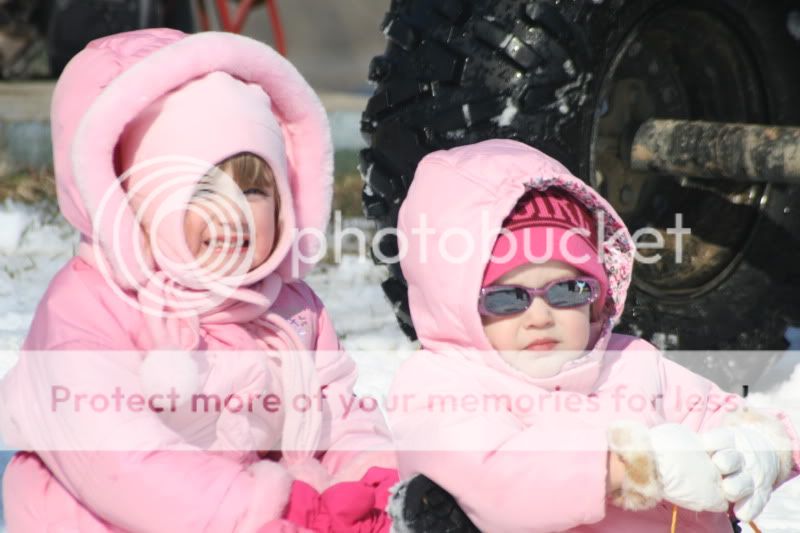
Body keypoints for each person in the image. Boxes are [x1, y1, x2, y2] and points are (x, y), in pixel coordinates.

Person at [0, 28, 396, 532]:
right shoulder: (89, 307)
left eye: (254, 189)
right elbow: (122, 462)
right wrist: (261, 512)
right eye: (203, 188)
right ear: (138, 199)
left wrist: (370, 479)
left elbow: (336, 411)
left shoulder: (290, 307)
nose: (232, 213)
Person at [387, 139, 800, 532]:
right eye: (507, 298)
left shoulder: (631, 363)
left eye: (568, 290)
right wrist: (630, 467)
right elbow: (499, 481)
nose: (540, 317)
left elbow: (717, 413)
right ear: (455, 304)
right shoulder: (440, 386)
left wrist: (757, 450)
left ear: (597, 295)